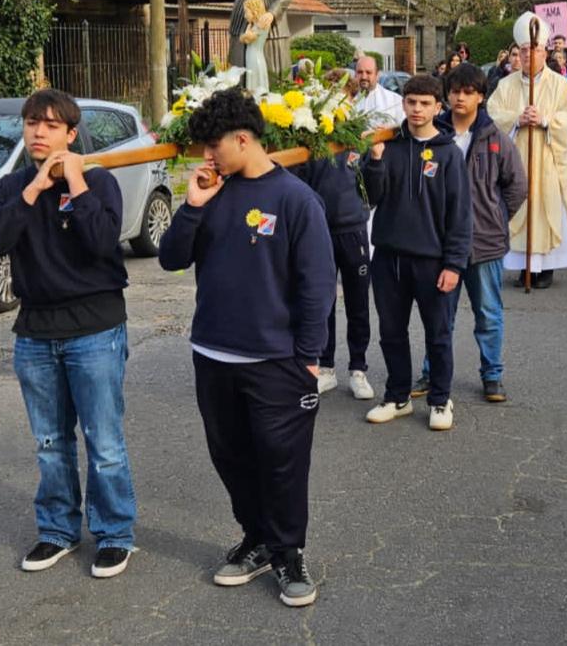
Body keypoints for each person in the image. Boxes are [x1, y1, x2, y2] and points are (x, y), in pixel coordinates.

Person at [158, 88, 334, 607]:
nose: (205, 156)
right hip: (213, 353)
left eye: (213, 145)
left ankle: (288, 552)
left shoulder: (296, 200)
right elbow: (170, 259)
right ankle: (256, 537)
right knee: (231, 457)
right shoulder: (213, 193)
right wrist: (192, 206)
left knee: (282, 462)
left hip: (278, 361)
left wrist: (308, 355)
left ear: (243, 138)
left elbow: (318, 283)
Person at [0, 89, 137, 579]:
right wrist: (33, 190)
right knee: (50, 442)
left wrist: (74, 182)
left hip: (95, 329)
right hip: (35, 332)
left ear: (71, 133)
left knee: (103, 441)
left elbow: (101, 242)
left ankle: (114, 535)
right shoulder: (12, 187)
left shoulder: (98, 182)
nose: (39, 132)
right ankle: (57, 531)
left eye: (50, 125)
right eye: (31, 123)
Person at [411, 62, 527, 403]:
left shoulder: (495, 139)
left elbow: (516, 186)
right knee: (439, 316)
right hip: (439, 244)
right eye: (455, 91)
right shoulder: (432, 135)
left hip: (484, 244)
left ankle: (492, 375)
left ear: (480, 97)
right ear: (446, 96)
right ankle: (432, 373)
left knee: (488, 313)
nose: (460, 98)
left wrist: (495, 217)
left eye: (468, 92)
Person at [361, 74, 472, 431]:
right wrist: (374, 161)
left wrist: (454, 264)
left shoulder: (449, 155)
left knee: (437, 334)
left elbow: (460, 214)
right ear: (403, 104)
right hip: (389, 256)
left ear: (438, 107)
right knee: (391, 331)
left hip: (433, 260)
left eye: (425, 103)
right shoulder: (388, 144)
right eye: (411, 102)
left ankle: (440, 399)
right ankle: (398, 396)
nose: (417, 109)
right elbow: (370, 198)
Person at [487, 12, 567, 289]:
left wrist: (544, 121)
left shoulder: (560, 84)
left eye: (534, 50)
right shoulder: (506, 84)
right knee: (518, 209)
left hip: (548, 160)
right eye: (523, 50)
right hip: (516, 158)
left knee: (546, 209)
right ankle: (523, 268)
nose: (528, 55)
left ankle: (546, 268)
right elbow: (493, 115)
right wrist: (517, 119)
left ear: (545, 52)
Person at [291, 146, 375, 400]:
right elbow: (298, 184)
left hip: (354, 230)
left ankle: (358, 369)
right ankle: (326, 366)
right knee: (323, 301)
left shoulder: (360, 139)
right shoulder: (312, 138)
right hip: (320, 228)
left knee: (358, 304)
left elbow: (374, 187)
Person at [353, 53, 404, 129]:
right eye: (360, 72)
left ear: (377, 75)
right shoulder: (345, 100)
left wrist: (390, 129)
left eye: (368, 72)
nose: (364, 77)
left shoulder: (395, 100)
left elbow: (405, 127)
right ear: (355, 74)